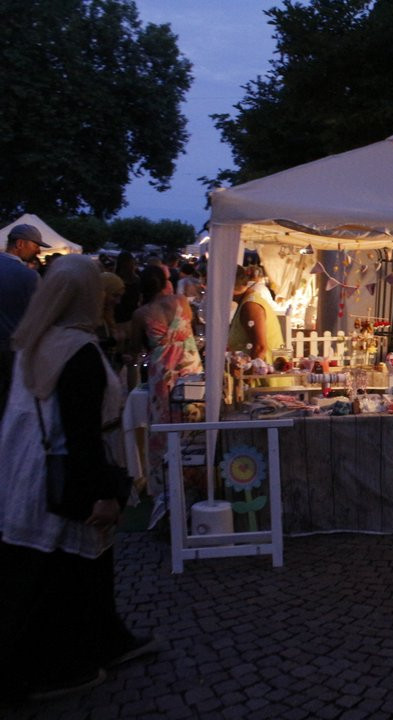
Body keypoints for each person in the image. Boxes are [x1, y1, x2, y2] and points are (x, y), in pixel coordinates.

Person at [0, 255, 156, 701]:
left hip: (27, 468)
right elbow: (81, 433)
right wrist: (103, 493)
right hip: (66, 472)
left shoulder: (33, 339)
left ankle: (106, 639)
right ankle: (57, 665)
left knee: (67, 567)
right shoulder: (77, 352)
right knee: (62, 569)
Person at [129, 265, 202, 491]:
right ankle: (195, 478)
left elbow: (133, 348)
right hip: (189, 364)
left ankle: (166, 485)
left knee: (164, 422)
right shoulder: (181, 302)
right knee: (193, 416)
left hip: (162, 371)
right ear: (164, 283)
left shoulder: (141, 314)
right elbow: (193, 325)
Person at [1, 224, 47, 418]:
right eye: (35, 245)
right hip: (11, 353)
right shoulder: (28, 277)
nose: (38, 251)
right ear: (20, 244)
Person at [228, 264, 284, 363]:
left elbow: (260, 348)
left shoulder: (250, 306)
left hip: (262, 374)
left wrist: (248, 376)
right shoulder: (245, 302)